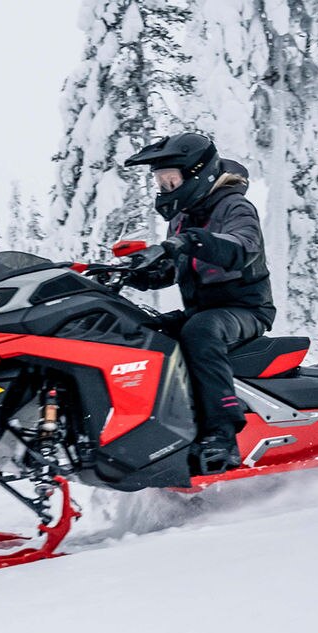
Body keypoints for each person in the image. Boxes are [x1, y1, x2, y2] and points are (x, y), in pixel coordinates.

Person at [123, 132, 275, 475]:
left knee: (200, 331)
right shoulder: (184, 217)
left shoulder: (234, 206)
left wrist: (191, 241)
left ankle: (221, 435)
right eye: (160, 182)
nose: (165, 189)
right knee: (144, 332)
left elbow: (241, 248)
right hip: (203, 310)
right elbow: (173, 268)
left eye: (171, 180)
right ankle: (165, 430)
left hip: (246, 309)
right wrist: (138, 272)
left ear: (197, 174)